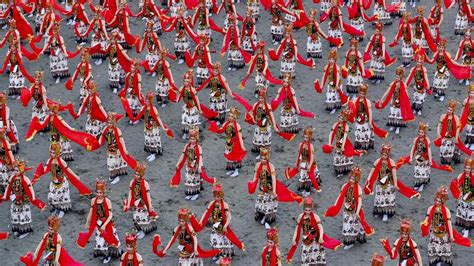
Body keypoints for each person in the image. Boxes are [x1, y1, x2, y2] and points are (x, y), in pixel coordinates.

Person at [33, 141, 91, 218]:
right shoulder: (49, 161)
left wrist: (75, 176)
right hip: (54, 182)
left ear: (57, 153)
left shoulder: (61, 161)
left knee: (61, 197)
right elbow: (45, 169)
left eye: (53, 152)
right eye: (51, 152)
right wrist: (39, 170)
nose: (51, 154)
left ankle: (61, 210)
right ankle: (56, 209)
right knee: (52, 196)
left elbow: (68, 170)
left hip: (61, 182)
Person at [364, 144, 420, 221]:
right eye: (382, 154)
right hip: (380, 182)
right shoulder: (377, 161)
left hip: (389, 183)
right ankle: (378, 211)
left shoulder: (391, 162)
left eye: (385, 154)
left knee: (388, 198)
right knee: (379, 197)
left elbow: (394, 174)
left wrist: (396, 184)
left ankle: (386, 213)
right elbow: (372, 172)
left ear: (388, 155)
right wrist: (368, 180)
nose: (383, 156)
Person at [248, 148, 302, 228]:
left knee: (270, 204)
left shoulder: (271, 166)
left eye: (264, 158)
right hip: (262, 187)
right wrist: (252, 184)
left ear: (267, 158)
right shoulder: (257, 165)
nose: (263, 160)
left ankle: (267, 220)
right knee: (261, 202)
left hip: (270, 188)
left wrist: (274, 191)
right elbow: (255, 177)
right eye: (262, 158)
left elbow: (273, 179)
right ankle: (262, 215)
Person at [325, 166, 374, 250]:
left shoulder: (358, 188)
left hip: (355, 211)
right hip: (347, 210)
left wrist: (358, 212)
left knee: (356, 225)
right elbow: (340, 197)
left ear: (356, 180)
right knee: (347, 226)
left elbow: (359, 202)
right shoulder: (345, 186)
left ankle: (356, 239)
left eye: (353, 179)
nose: (351, 180)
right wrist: (335, 205)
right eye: (350, 178)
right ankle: (349, 242)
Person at [420, 186, 471, 266]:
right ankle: (437, 261)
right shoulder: (430, 208)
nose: (437, 202)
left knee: (443, 248)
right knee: (434, 249)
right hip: (434, 233)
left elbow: (449, 224)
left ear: (443, 202)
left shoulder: (446, 210)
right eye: (436, 200)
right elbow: (427, 219)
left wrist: (451, 235)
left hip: (444, 233)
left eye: (439, 201)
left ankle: (440, 261)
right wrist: (424, 224)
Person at [76, 179, 122, 264]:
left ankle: (108, 254)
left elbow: (110, 214)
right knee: (100, 239)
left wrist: (105, 224)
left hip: (107, 224)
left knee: (108, 238)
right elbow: (91, 212)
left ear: (104, 193)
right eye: (97, 192)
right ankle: (103, 253)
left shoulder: (107, 201)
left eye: (101, 193)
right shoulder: (93, 200)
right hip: (98, 223)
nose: (99, 194)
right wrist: (87, 221)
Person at [152, 208, 220, 264]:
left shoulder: (190, 228)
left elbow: (195, 239)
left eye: (183, 221)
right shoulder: (176, 229)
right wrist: (165, 250)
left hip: (190, 247)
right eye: (180, 221)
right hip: (182, 248)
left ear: (186, 221)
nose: (181, 223)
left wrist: (196, 250)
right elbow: (172, 240)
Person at [286, 197, 341, 265]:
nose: (307, 212)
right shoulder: (300, 216)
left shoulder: (316, 216)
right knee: (306, 255)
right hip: (305, 239)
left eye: (309, 210)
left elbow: (320, 227)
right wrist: (294, 238)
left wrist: (320, 237)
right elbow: (297, 228)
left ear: (312, 209)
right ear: (303, 209)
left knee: (316, 255)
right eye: (306, 210)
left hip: (314, 238)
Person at [197, 183, 245, 260]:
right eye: (215, 196)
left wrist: (225, 226)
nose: (217, 198)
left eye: (218, 196)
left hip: (222, 225)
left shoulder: (225, 205)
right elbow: (206, 213)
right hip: (215, 225)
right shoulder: (212, 203)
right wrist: (201, 221)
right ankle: (216, 254)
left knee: (223, 241)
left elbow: (229, 217)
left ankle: (223, 255)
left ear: (221, 196)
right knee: (215, 241)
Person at [0, 159, 46, 238]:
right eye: (14, 170)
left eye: (17, 170)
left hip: (23, 200)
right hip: (15, 200)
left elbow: (31, 192)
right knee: (15, 215)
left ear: (21, 170)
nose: (15, 172)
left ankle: (25, 230)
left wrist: (37, 203)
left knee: (23, 215)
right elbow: (8, 188)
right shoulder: (12, 178)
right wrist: (5, 197)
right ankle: (17, 229)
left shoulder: (25, 179)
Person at [170, 126, 215, 200]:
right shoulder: (187, 146)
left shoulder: (199, 147)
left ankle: (196, 193)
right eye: (191, 138)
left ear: (196, 139)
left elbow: (200, 157)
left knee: (195, 179)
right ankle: (190, 193)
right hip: (189, 165)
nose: (192, 140)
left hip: (196, 166)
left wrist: (200, 166)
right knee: (188, 179)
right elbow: (183, 155)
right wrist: (178, 163)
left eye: (193, 139)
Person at [127, 91, 174, 162]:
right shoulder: (143, 107)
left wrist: (163, 127)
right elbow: (139, 115)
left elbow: (158, 118)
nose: (146, 102)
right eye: (145, 101)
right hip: (146, 126)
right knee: (148, 139)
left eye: (148, 101)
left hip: (153, 127)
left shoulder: (154, 109)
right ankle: (152, 152)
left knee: (153, 139)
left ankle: (154, 153)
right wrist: (133, 118)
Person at [97, 112, 137, 184]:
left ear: (114, 123)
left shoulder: (117, 130)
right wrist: (98, 143)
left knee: (116, 163)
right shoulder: (105, 129)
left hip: (117, 149)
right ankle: (113, 174)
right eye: (108, 122)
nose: (109, 124)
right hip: (110, 149)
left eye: (111, 123)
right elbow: (102, 137)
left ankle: (116, 176)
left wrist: (124, 150)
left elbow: (121, 140)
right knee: (110, 163)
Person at [347, 84, 388, 151]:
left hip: (365, 120)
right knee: (358, 133)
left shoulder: (368, 102)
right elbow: (351, 108)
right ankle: (359, 146)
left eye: (363, 94)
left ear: (365, 94)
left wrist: (370, 121)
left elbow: (370, 112)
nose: (361, 95)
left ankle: (365, 147)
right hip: (358, 119)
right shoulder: (355, 100)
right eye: (360, 93)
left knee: (365, 133)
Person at [208, 107, 247, 177]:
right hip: (228, 143)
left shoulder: (237, 126)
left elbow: (240, 137)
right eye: (229, 116)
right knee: (230, 157)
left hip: (235, 143)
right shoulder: (226, 123)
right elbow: (221, 130)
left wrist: (242, 146)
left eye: (231, 116)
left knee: (235, 157)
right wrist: (214, 127)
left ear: (234, 117)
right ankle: (232, 170)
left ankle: (236, 171)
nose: (229, 117)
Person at [375, 67, 414, 135]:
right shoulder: (393, 83)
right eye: (396, 77)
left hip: (400, 101)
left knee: (399, 114)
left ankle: (398, 127)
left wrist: (407, 99)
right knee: (393, 113)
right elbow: (387, 92)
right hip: (393, 100)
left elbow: (406, 92)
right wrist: (382, 99)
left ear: (401, 78)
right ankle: (393, 125)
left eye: (398, 77)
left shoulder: (403, 84)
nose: (396, 78)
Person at [123, 162, 158, 239]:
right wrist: (128, 203)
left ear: (141, 175)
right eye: (135, 174)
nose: (136, 176)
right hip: (136, 203)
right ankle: (140, 229)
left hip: (143, 203)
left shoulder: (145, 183)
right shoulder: (132, 182)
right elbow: (130, 193)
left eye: (138, 174)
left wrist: (150, 205)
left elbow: (148, 195)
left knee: (144, 217)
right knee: (136, 217)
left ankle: (144, 231)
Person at [322, 110, 361, 176]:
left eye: (341, 118)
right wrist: (329, 143)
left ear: (344, 119)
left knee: (344, 154)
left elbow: (345, 136)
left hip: (344, 142)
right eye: (339, 117)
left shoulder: (346, 126)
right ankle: (339, 170)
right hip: (337, 142)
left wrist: (343, 145)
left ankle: (344, 169)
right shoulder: (335, 124)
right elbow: (331, 133)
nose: (340, 119)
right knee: (338, 155)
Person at [285, 127, 321, 196]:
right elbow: (299, 155)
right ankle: (303, 189)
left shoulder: (311, 146)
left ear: (309, 138)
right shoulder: (301, 145)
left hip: (309, 163)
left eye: (307, 137)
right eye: (304, 137)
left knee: (309, 177)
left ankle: (308, 191)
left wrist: (310, 166)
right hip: (303, 163)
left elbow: (312, 157)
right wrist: (296, 163)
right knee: (303, 176)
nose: (305, 139)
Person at [449, 158, 474, 237]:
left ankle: (467, 229)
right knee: (463, 213)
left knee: (469, 213)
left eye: (469, 168)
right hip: (463, 197)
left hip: (471, 198)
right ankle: (465, 227)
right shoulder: (461, 176)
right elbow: (457, 185)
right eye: (466, 168)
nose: (467, 169)